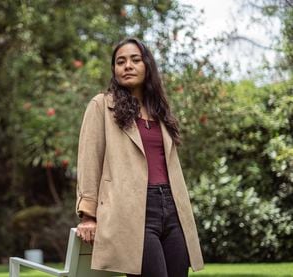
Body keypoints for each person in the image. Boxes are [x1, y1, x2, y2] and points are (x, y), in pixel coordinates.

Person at [75, 37, 204, 277]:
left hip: (173, 208)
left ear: (147, 65)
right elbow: (88, 162)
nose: (128, 66)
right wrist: (88, 215)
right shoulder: (102, 106)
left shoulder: (160, 111)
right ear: (114, 69)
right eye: (120, 61)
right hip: (131, 210)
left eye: (135, 59)